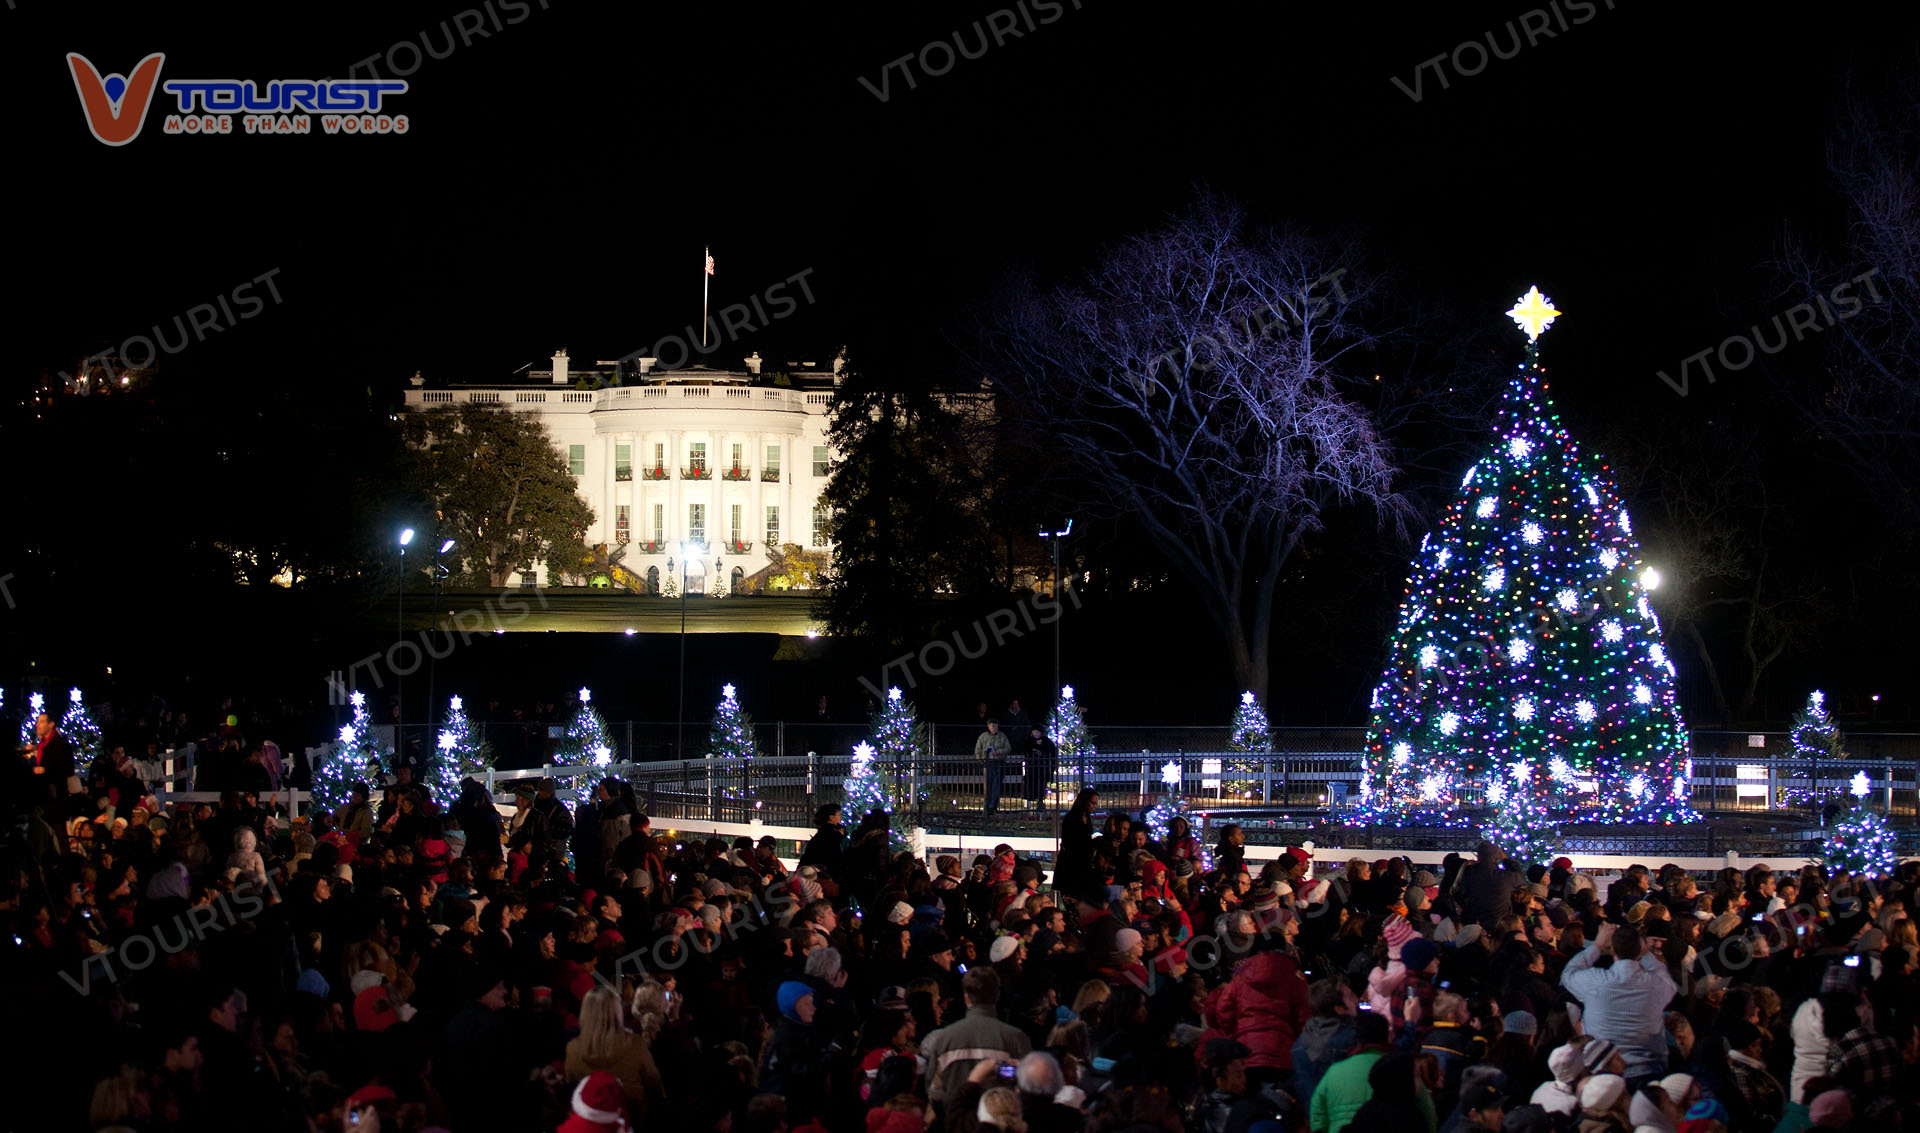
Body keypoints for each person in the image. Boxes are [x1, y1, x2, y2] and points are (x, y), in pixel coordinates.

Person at [1560, 924, 1676, 1083]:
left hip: (1604, 1071)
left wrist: (1597, 945)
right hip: (1649, 1072)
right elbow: (1669, 982)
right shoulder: (1654, 983)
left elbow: (1568, 974)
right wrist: (1647, 954)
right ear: (1640, 948)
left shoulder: (1596, 981)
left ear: (1613, 949)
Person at [921, 968, 1033, 1106]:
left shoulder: (944, 1039)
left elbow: (934, 1091)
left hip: (956, 1121)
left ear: (966, 998)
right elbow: (1028, 1086)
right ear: (997, 995)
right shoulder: (1016, 1038)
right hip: (999, 1121)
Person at [977, 719, 1012, 816]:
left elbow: (1008, 748)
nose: (993, 727)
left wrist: (998, 752)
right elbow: (977, 750)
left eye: (995, 725)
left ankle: (993, 807)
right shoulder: (983, 737)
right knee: (987, 786)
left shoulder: (1002, 736)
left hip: (998, 762)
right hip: (987, 764)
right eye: (991, 725)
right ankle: (986, 807)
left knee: (997, 786)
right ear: (988, 726)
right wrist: (982, 760)